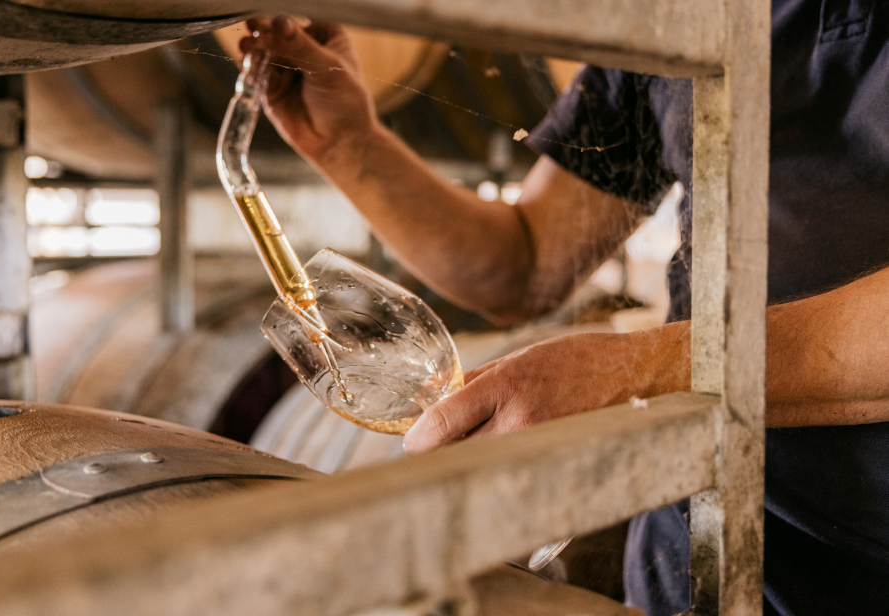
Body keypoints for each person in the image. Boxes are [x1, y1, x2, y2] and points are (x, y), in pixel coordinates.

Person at [242, 5, 889, 614]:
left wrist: (641, 373)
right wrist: (350, 144)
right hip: (693, 559)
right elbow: (525, 263)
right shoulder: (677, 13)